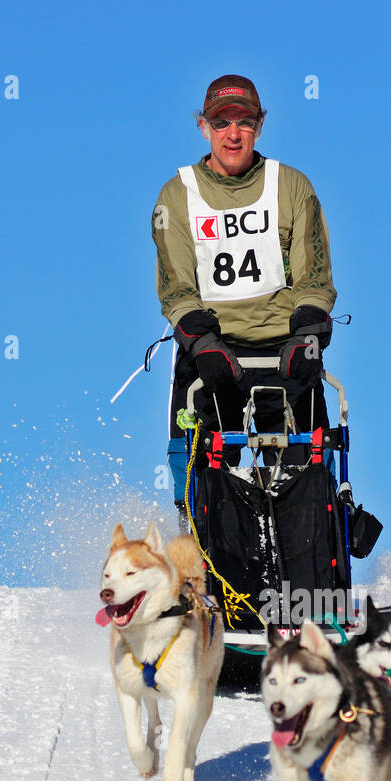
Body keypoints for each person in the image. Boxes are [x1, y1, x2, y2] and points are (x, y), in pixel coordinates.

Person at [151, 75, 337, 528]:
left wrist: (310, 333)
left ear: (260, 125)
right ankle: (204, 567)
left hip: (285, 349)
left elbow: (315, 274)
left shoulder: (291, 187)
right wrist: (202, 342)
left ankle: (308, 573)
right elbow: (175, 285)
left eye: (244, 122)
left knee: (306, 475)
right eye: (221, 123)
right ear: (203, 128)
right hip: (211, 351)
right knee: (202, 479)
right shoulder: (177, 196)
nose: (233, 134)